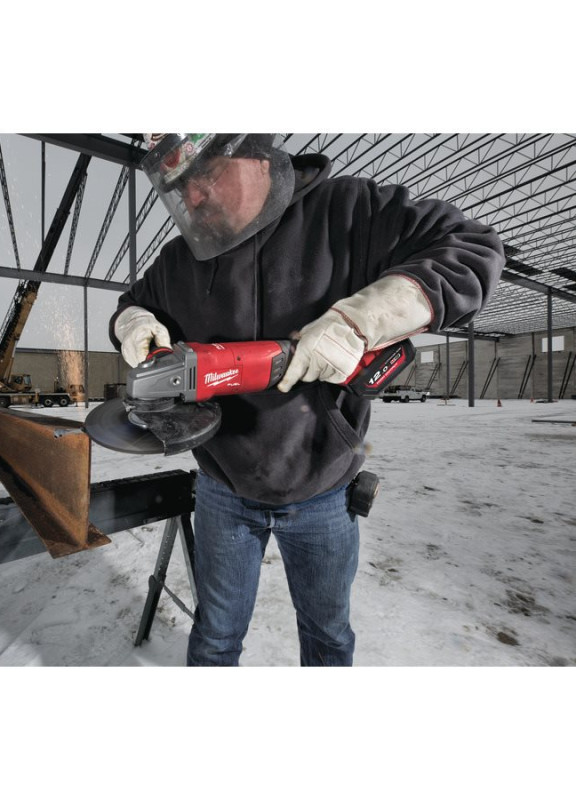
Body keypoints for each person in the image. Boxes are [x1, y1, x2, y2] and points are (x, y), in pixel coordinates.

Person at [109, 134, 504, 666]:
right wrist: (133, 320)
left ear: (252, 151)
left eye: (205, 175)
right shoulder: (179, 259)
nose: (194, 198)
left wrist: (363, 318)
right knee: (215, 637)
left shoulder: (350, 212)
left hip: (323, 491)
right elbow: (133, 302)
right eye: (181, 187)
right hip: (225, 490)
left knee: (327, 635)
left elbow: (472, 249)